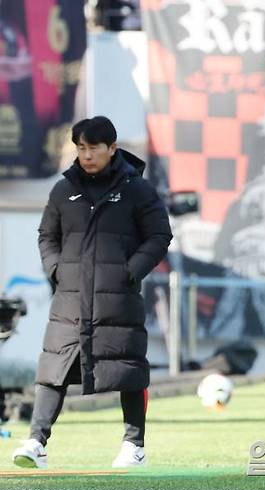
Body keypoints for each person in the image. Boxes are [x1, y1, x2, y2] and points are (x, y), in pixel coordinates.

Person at [12, 116, 172, 469]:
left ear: (112, 148)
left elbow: (160, 236)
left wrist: (131, 272)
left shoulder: (137, 190)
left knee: (128, 369)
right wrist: (56, 269)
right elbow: (46, 236)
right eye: (80, 148)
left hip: (118, 297)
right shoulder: (63, 190)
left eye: (93, 148)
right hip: (70, 299)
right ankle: (36, 442)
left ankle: (134, 446)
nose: (86, 155)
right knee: (53, 369)